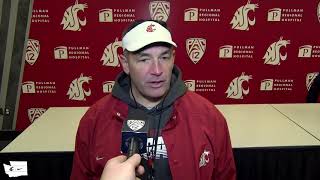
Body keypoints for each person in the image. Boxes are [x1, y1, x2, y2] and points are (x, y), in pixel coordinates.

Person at [70, 19, 236, 180]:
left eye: (164, 57)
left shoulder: (208, 117)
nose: (157, 70)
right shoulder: (94, 121)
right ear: (125, 63)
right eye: (144, 59)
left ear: (173, 58)